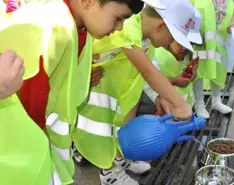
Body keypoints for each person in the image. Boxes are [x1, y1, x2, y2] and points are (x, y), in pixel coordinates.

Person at [0, 0, 164, 184]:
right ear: (87, 1)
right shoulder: (55, 28)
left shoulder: (78, 26)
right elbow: (31, 103)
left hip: (43, 145)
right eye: (118, 18)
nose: (119, 28)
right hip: (24, 153)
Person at [72, 0, 197, 184]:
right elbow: (148, 70)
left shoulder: (146, 39)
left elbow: (143, 73)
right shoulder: (129, 27)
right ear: (160, 26)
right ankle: (109, 173)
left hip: (118, 93)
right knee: (103, 134)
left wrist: (158, 96)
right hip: (97, 91)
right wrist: (179, 103)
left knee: (118, 129)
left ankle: (120, 159)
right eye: (171, 39)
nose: (169, 44)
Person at [139, 7, 203, 116]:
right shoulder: (151, 50)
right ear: (161, 26)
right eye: (174, 38)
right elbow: (148, 74)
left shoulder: (148, 45)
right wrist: (179, 104)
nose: (185, 48)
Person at [190, 0, 234, 118]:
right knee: (198, 69)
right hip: (200, 39)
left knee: (217, 67)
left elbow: (229, 10)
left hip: (218, 39)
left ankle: (216, 100)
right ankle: (199, 104)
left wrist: (231, 21)